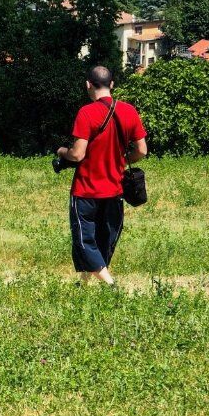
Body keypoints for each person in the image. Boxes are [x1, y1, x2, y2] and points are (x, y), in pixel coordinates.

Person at [54, 65, 148, 285]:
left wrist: (61, 152)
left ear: (88, 85)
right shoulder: (129, 111)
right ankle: (85, 283)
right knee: (103, 238)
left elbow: (77, 154)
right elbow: (142, 150)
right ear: (112, 85)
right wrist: (121, 161)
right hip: (115, 189)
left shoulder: (86, 112)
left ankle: (110, 285)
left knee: (84, 239)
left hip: (86, 189)